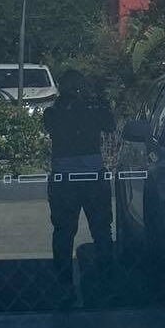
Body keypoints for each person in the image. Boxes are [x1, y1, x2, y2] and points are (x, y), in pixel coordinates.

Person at [44, 69, 114, 299]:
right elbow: (110, 124)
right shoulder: (87, 110)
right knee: (101, 228)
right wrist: (93, 100)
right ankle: (105, 278)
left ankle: (64, 282)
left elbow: (53, 126)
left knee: (64, 231)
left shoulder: (54, 112)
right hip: (91, 174)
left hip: (65, 177)